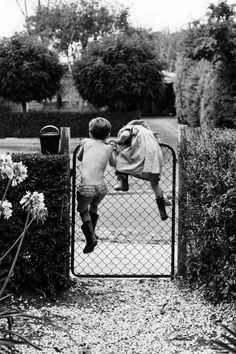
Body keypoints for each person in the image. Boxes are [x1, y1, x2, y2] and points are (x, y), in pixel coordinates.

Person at [111, 119, 170, 221]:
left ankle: (123, 182)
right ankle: (162, 210)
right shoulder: (149, 132)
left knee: (120, 158)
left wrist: (118, 141)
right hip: (156, 155)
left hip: (143, 151)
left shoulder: (131, 127)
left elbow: (124, 135)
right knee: (155, 184)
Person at [77, 117, 117, 254]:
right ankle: (92, 232)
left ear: (90, 132)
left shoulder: (86, 143)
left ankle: (91, 238)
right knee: (94, 205)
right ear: (108, 134)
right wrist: (112, 148)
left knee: (82, 210)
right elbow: (113, 163)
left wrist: (83, 145)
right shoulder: (108, 148)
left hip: (86, 187)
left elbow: (79, 158)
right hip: (101, 188)